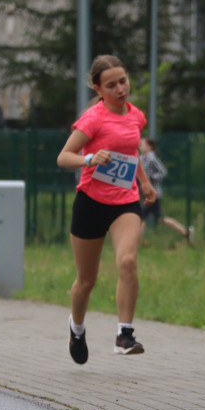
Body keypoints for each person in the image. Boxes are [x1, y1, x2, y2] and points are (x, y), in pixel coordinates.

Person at [57, 55, 157, 365]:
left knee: (127, 261)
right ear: (98, 88)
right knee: (87, 280)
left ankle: (124, 335)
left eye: (123, 81)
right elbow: (64, 157)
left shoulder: (136, 117)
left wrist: (145, 182)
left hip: (125, 201)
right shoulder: (93, 119)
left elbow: (130, 154)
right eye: (111, 85)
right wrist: (89, 159)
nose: (120, 89)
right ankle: (77, 328)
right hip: (90, 202)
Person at [138, 137, 193, 245]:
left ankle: (136, 243)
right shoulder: (142, 158)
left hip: (154, 194)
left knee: (141, 217)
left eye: (142, 144)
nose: (140, 146)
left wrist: (151, 178)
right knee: (160, 219)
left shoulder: (152, 158)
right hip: (148, 193)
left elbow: (163, 171)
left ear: (150, 147)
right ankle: (186, 232)